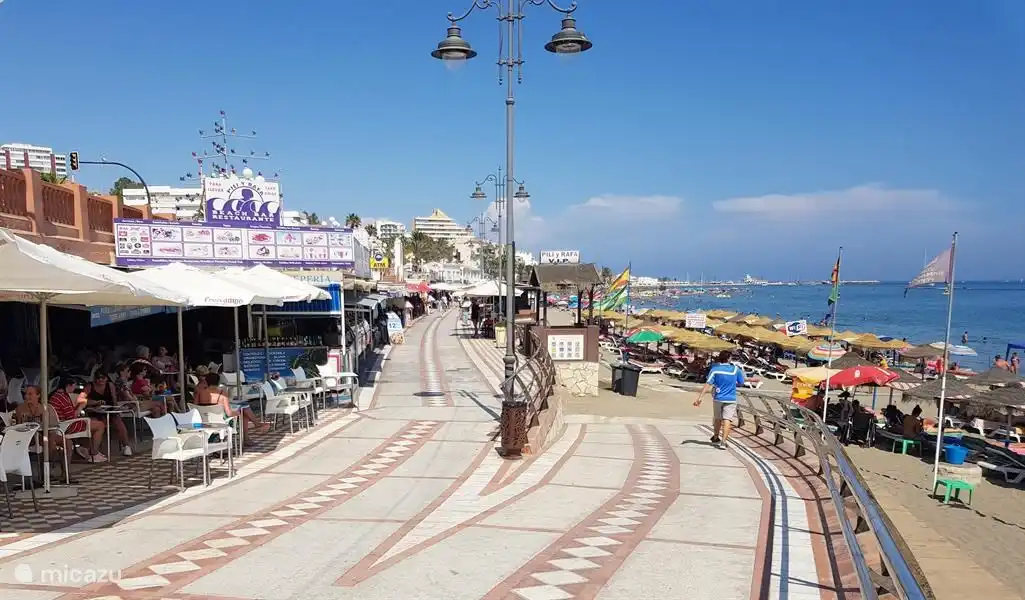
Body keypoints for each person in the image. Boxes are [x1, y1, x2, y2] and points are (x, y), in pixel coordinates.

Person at [692, 350, 745, 449]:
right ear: (729, 358)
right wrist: (733, 383)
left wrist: (700, 398)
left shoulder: (715, 369)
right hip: (731, 398)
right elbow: (741, 382)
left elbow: (708, 383)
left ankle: (716, 437)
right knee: (727, 419)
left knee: (717, 418)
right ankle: (724, 442)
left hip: (718, 397)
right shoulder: (735, 369)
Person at [49, 377, 107, 462]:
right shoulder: (63, 398)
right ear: (69, 385)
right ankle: (94, 453)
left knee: (92, 421)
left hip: (61, 424)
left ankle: (84, 449)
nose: (74, 389)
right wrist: (81, 407)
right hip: (68, 425)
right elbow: (72, 416)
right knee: (100, 425)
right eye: (74, 386)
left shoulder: (55, 396)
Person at [195, 372, 269, 435]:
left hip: (203, 421)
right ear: (218, 382)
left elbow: (195, 408)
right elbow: (229, 413)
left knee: (244, 409)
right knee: (243, 412)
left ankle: (255, 426)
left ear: (207, 382)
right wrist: (237, 413)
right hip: (220, 422)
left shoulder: (200, 392)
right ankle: (252, 431)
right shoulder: (222, 393)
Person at [83, 373, 133, 456]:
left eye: (103, 377)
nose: (100, 380)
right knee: (98, 424)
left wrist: (116, 407)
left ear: (106, 378)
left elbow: (114, 399)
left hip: (109, 409)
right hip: (94, 411)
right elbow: (82, 400)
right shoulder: (89, 386)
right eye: (98, 378)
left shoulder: (110, 385)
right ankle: (94, 450)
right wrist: (95, 402)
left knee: (119, 423)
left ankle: (126, 446)